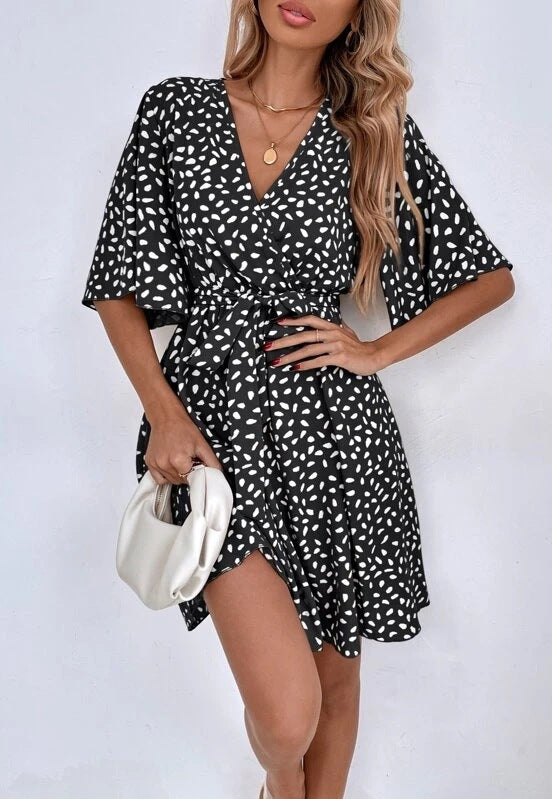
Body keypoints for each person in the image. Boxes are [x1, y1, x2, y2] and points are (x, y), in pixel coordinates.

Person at [80, 1, 516, 797]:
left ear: (359, 12)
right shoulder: (175, 111)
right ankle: (280, 786)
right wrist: (165, 413)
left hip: (336, 438)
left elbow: (487, 280)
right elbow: (119, 283)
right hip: (213, 433)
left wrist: (373, 351)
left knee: (337, 682)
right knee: (288, 717)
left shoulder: (370, 135)